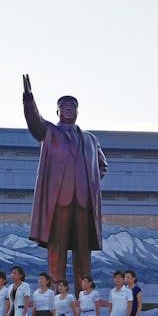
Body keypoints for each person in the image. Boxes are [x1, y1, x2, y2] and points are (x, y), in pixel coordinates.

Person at [22, 74, 108, 295]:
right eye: (64, 106)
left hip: (83, 202)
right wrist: (29, 99)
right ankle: (56, 293)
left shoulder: (90, 139)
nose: (69, 109)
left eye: (73, 106)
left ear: (78, 111)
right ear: (57, 111)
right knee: (57, 249)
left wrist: (91, 183)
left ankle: (84, 294)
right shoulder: (50, 132)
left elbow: (102, 165)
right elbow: (34, 122)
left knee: (83, 250)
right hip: (59, 199)